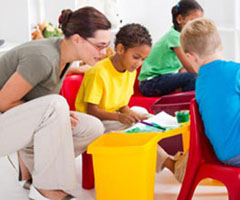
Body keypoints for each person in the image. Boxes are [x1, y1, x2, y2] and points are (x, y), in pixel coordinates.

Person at [0, 6, 111, 200]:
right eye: (100, 46)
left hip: (17, 123)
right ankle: (46, 189)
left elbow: (49, 75)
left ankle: (37, 173)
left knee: (92, 127)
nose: (104, 52)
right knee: (56, 105)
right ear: (77, 39)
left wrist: (80, 71)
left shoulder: (63, 54)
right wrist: (55, 115)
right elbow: (3, 102)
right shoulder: (42, 57)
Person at [75, 23, 187, 182]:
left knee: (142, 114)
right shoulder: (98, 72)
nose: (139, 63)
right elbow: (91, 110)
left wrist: (136, 115)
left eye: (143, 59)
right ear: (120, 49)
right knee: (131, 128)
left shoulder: (129, 71)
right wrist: (121, 118)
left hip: (112, 118)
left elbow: (122, 105)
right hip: (95, 123)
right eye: (136, 57)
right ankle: (171, 164)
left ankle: (154, 164)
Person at [181, 18, 240, 167]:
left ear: (190, 57)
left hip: (224, 155)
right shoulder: (234, 71)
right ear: (221, 44)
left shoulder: (201, 83)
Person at [138, 0, 203, 97]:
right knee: (193, 77)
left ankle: (178, 94)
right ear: (180, 19)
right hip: (149, 83)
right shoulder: (174, 37)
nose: (197, 25)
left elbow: (183, 68)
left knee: (194, 77)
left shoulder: (184, 38)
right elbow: (189, 66)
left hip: (163, 79)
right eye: (193, 21)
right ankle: (181, 104)